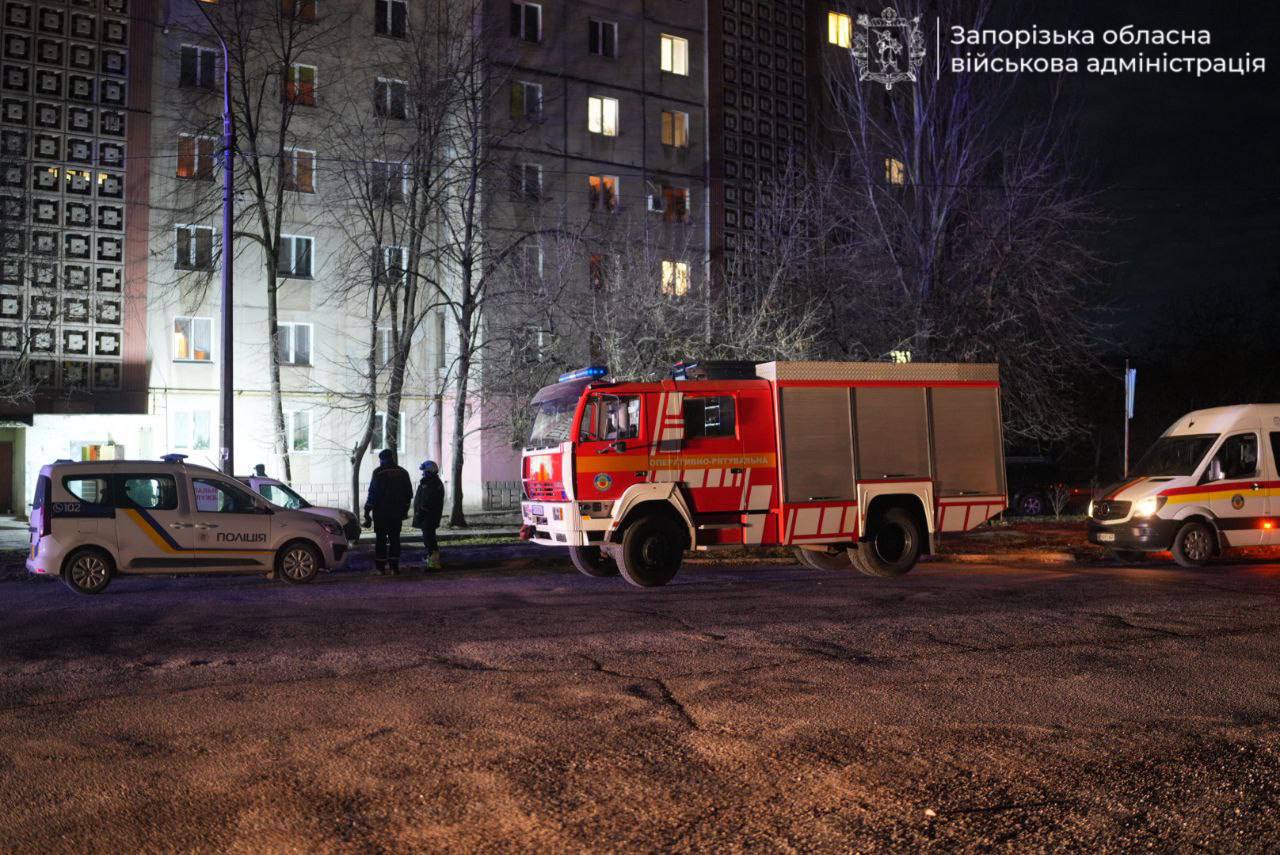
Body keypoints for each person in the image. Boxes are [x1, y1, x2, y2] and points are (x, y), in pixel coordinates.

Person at [363, 449, 413, 575]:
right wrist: (404, 510)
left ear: (382, 459)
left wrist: (367, 511)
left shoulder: (378, 472)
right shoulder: (403, 472)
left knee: (381, 540)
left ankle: (380, 568)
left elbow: (373, 493)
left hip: (381, 513)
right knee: (395, 539)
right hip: (396, 514)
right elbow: (409, 494)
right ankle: (394, 567)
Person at [413, 460, 446, 570]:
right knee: (428, 539)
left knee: (429, 540)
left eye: (425, 471)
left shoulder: (432, 484)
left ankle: (434, 563)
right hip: (427, 517)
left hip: (429, 517)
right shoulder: (430, 482)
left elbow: (428, 501)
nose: (423, 473)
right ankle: (431, 559)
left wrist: (420, 513)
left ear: (430, 471)